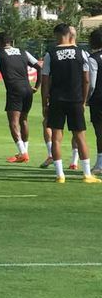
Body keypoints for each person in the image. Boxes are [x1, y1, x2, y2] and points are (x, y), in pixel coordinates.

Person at [41, 23, 100, 183]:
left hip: (56, 100)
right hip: (75, 100)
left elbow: (45, 81)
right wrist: (83, 100)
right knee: (80, 136)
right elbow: (86, 79)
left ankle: (60, 175)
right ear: (70, 34)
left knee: (56, 138)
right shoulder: (82, 53)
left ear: (58, 35)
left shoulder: (50, 54)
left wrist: (44, 103)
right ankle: (87, 174)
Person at [0, 32, 41, 163]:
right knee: (24, 120)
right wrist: (37, 86)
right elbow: (39, 68)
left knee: (13, 122)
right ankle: (24, 152)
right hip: (27, 89)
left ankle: (23, 153)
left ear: (0, 43)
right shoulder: (23, 52)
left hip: (14, 90)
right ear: (11, 42)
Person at [88, 28, 102, 173]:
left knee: (100, 132)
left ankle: (100, 164)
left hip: (98, 99)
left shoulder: (93, 58)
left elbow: (91, 83)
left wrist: (86, 99)